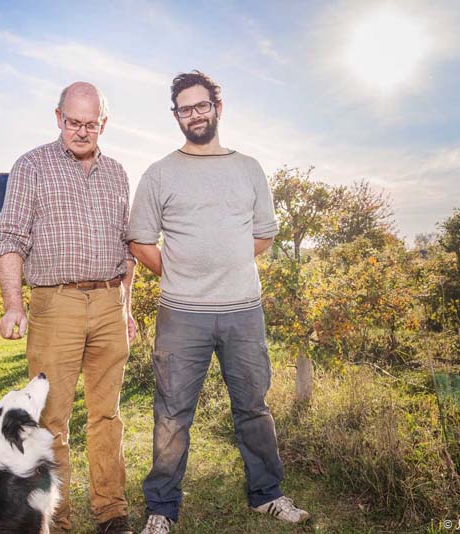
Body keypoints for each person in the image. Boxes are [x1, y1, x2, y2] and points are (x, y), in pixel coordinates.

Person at [127, 71, 310, 534]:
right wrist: (183, 271)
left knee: (253, 407)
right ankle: (161, 511)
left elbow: (264, 234)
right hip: (180, 315)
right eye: (185, 109)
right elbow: (140, 241)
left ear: (217, 108)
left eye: (201, 105)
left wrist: (225, 264)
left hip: (243, 311)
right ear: (176, 116)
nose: (194, 115)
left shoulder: (248, 168)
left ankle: (267, 495)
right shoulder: (159, 173)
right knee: (171, 414)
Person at [0, 82, 136, 534]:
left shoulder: (117, 173)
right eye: (73, 122)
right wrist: (13, 304)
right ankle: (58, 519)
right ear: (58, 118)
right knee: (52, 419)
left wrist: (127, 308)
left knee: (107, 413)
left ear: (103, 124)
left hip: (111, 301)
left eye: (90, 124)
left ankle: (111, 511)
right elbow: (10, 238)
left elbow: (126, 250)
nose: (80, 131)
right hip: (56, 304)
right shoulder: (31, 166)